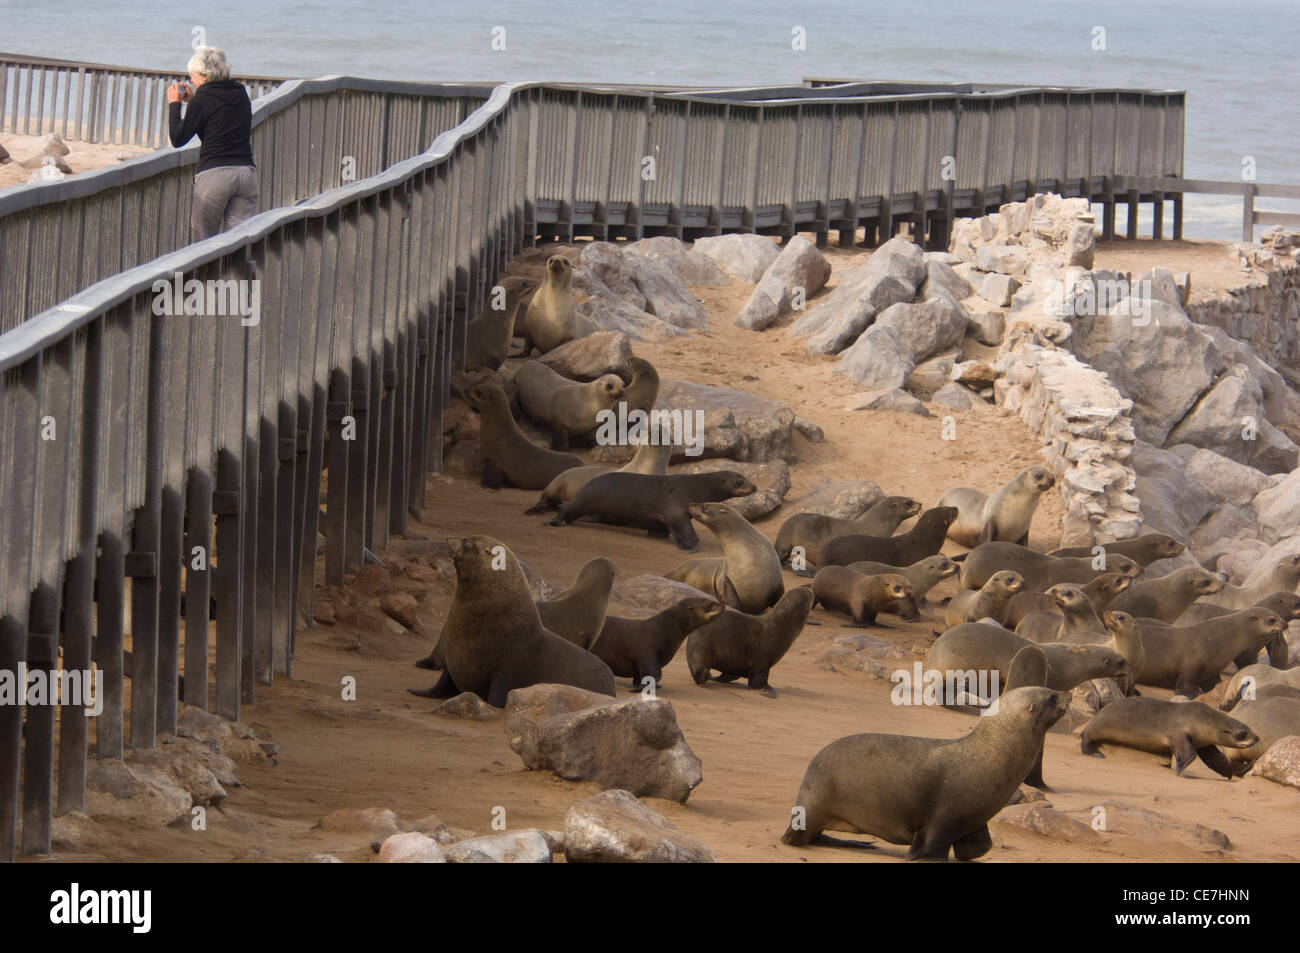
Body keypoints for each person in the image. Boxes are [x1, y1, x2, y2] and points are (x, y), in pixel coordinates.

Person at [167, 46, 258, 241]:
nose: (191, 80)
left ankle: (207, 273)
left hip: (215, 177)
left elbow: (177, 138)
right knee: (240, 243)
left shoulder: (203, 99)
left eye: (193, 76)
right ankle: (243, 272)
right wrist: (194, 102)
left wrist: (174, 103)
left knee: (204, 244)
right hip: (245, 173)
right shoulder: (240, 92)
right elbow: (218, 128)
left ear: (203, 76)